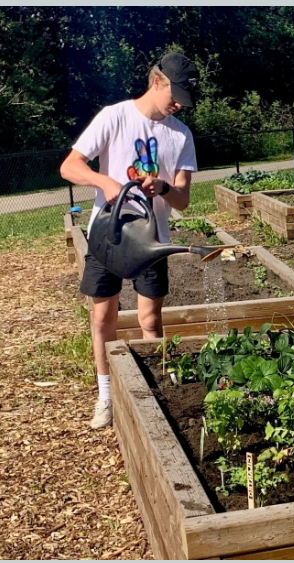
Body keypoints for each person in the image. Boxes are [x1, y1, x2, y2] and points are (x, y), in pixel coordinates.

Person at [60, 53, 199, 429]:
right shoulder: (114, 116)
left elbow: (183, 200)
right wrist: (106, 183)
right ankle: (106, 395)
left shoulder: (180, 134)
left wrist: (165, 187)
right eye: (175, 94)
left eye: (184, 99)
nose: (177, 104)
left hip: (152, 241)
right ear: (157, 81)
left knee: (150, 319)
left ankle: (157, 393)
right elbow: (69, 166)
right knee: (103, 316)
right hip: (109, 235)